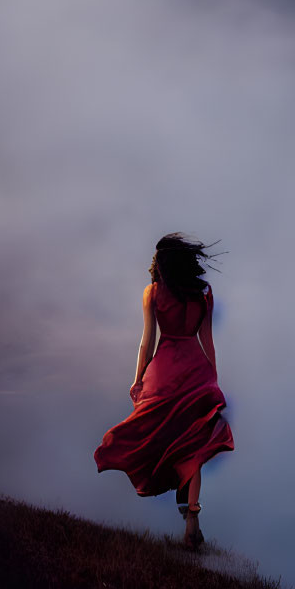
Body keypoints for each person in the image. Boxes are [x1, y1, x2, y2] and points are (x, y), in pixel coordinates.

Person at [94, 234, 234, 550]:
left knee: (154, 434)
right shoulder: (203, 295)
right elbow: (208, 342)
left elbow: (146, 342)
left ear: (163, 264)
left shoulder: (153, 293)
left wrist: (137, 378)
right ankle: (192, 518)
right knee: (194, 446)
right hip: (197, 372)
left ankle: (180, 502)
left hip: (164, 371)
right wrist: (212, 381)